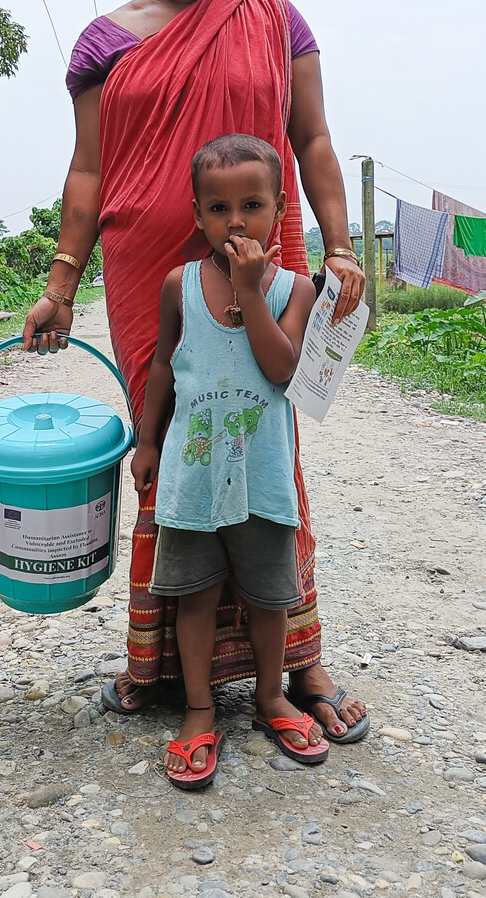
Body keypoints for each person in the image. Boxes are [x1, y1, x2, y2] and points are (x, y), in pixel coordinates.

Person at [21, 0, 369, 744]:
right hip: (149, 270)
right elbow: (89, 172)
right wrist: (61, 283)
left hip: (265, 260)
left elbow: (315, 141)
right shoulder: (104, 43)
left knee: (266, 448)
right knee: (166, 446)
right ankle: (160, 665)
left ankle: (298, 660)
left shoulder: (273, 17)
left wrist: (339, 244)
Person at [132, 134, 331, 788]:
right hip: (192, 479)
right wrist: (148, 439)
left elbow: (280, 370)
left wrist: (251, 290)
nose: (236, 221)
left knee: (270, 597)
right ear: (197, 216)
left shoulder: (294, 290)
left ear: (279, 211)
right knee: (194, 595)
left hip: (264, 476)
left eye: (252, 205)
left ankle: (273, 697)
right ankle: (198, 709)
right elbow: (162, 364)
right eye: (219, 209)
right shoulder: (179, 285)